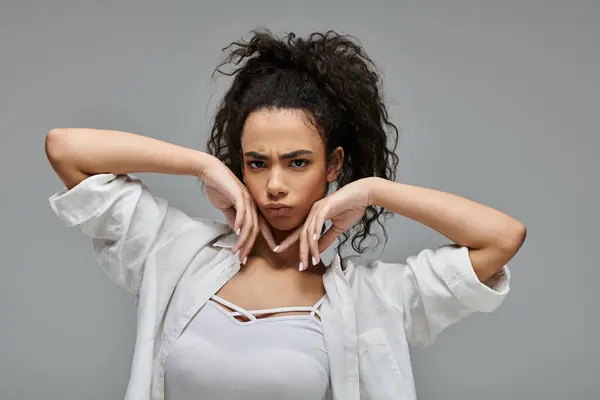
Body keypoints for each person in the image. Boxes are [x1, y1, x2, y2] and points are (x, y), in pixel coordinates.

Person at [46, 29, 526, 400]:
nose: (274, 184)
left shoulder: (375, 300)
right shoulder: (174, 253)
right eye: (257, 163)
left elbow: (502, 237)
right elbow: (65, 148)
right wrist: (201, 163)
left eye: (298, 162)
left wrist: (374, 189)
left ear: (332, 165)